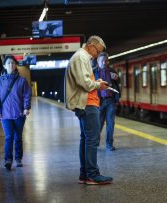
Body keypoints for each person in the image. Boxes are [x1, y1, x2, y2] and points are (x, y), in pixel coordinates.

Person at [65, 35, 113, 185]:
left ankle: (85, 174)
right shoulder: (81, 57)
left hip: (86, 103)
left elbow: (85, 80)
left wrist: (96, 82)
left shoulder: (82, 58)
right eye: (97, 51)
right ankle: (92, 174)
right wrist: (98, 85)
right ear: (90, 45)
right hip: (87, 104)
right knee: (92, 141)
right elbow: (85, 83)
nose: (97, 55)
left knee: (86, 140)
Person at [0, 55, 31, 170]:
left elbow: (27, 95)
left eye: (13, 63)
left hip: (19, 114)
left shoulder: (22, 80)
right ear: (4, 65)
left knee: (18, 137)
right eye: (8, 63)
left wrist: (26, 107)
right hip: (5, 115)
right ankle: (8, 159)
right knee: (9, 137)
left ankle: (18, 158)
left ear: (15, 65)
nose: (11, 65)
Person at [96, 52, 120, 151]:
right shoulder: (94, 72)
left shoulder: (112, 71)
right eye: (102, 60)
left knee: (111, 124)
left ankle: (109, 145)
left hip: (111, 101)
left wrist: (117, 78)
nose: (104, 62)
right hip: (99, 101)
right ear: (98, 61)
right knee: (99, 124)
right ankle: (95, 144)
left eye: (106, 60)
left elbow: (118, 83)